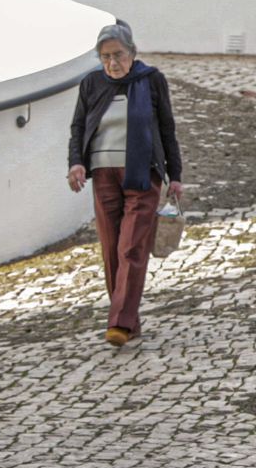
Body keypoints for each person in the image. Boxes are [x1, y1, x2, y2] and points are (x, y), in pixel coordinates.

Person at [66, 22, 184, 346]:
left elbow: (166, 128)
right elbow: (78, 128)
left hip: (143, 173)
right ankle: (130, 319)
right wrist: (76, 162)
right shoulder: (91, 84)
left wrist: (175, 176)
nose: (112, 63)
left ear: (132, 52)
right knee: (111, 249)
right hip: (103, 174)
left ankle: (118, 322)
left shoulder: (151, 80)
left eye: (118, 54)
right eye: (105, 57)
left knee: (131, 246)